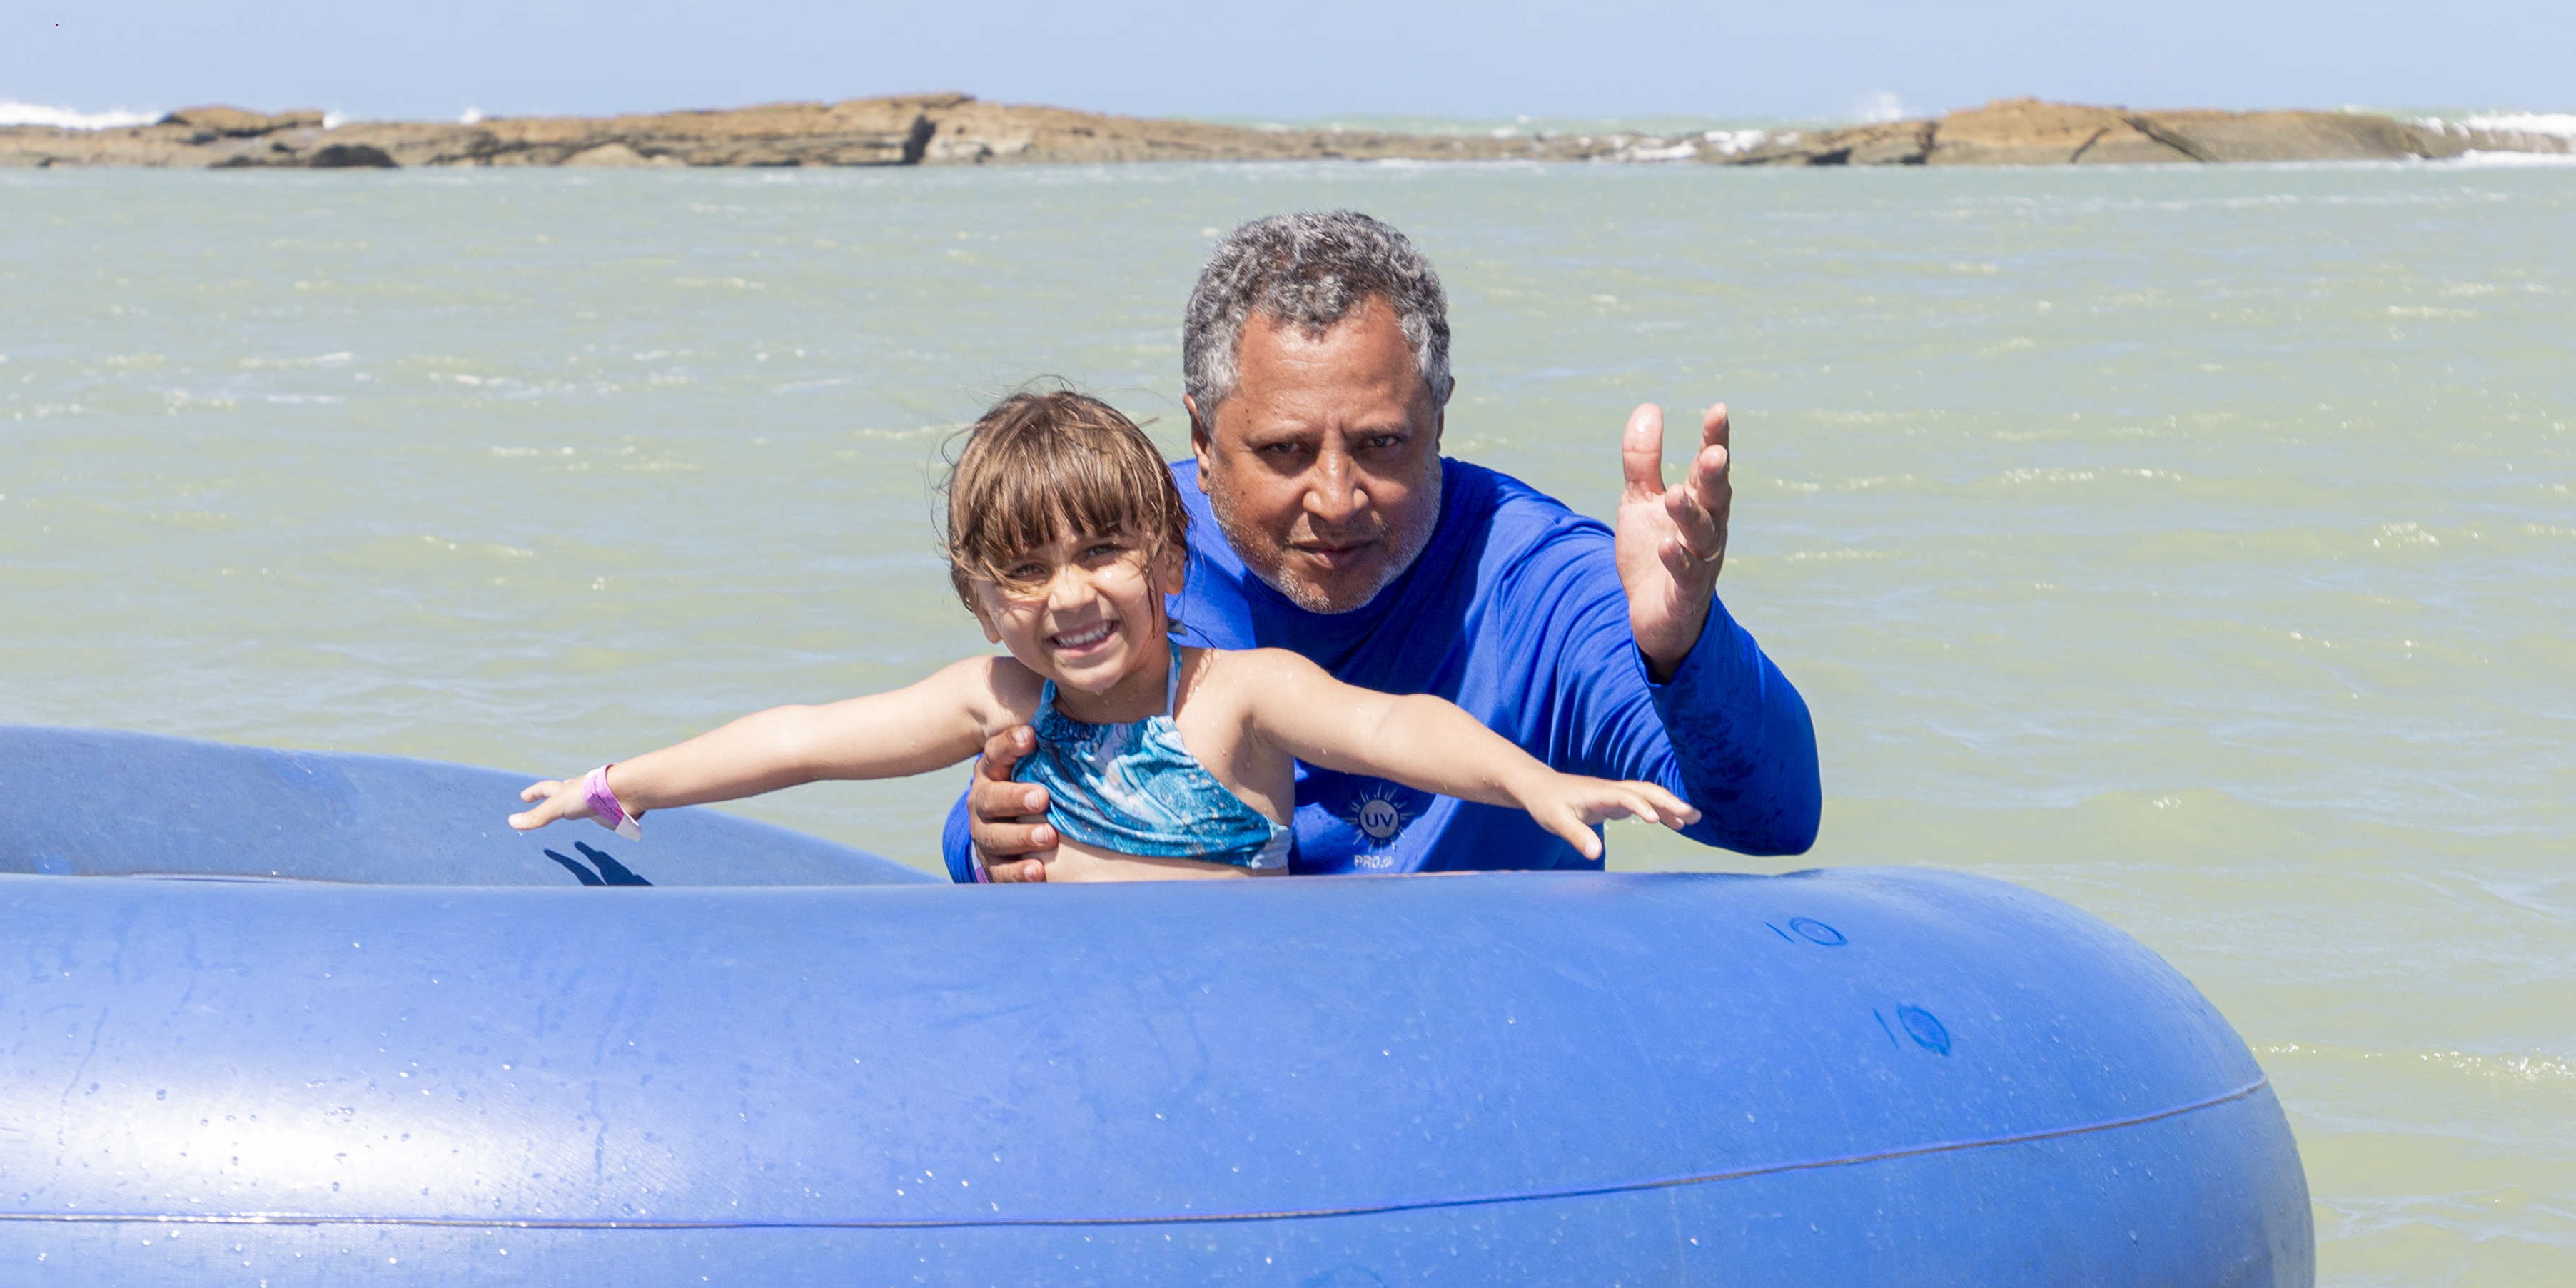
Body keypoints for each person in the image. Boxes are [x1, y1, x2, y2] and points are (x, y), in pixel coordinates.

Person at [954, 210, 1819, 881]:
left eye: (1381, 445)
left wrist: (1683, 648)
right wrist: (988, 833)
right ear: (1202, 436)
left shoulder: (1536, 578)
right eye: (1285, 451)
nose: (1336, 501)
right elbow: (993, 790)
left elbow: (1770, 823)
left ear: (1438, 422)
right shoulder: (1126, 559)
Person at [514, 386, 1694, 876]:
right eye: (1023, 574)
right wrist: (622, 785)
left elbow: (1398, 726)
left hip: (1224, 1022)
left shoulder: (1237, 694)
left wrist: (1533, 781)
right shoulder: (1001, 700)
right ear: (982, 600)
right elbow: (806, 738)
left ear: (1166, 558)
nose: (1068, 597)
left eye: (1099, 555)